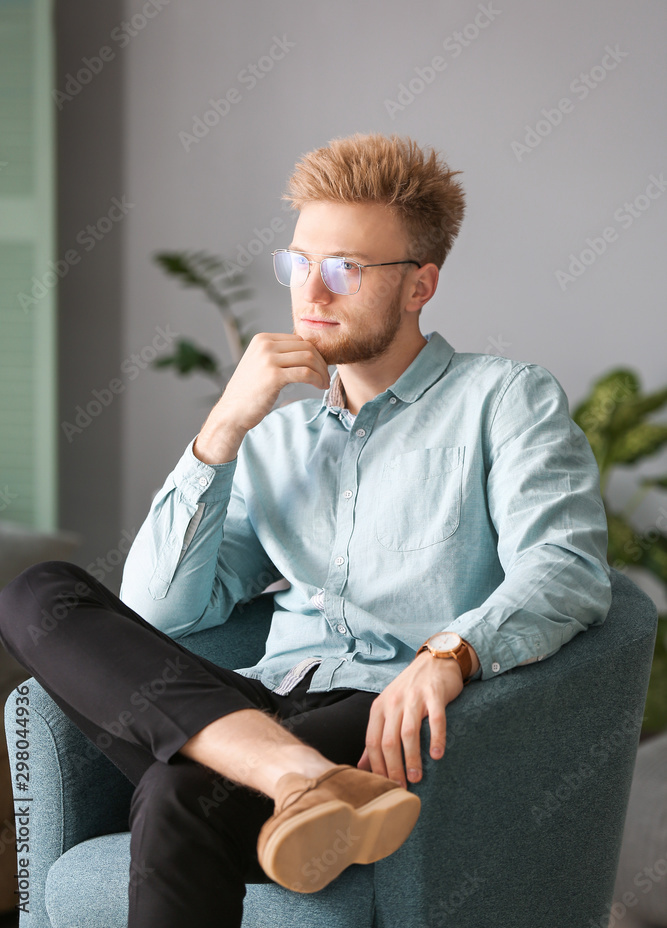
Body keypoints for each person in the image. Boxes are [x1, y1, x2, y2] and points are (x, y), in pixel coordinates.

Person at [0, 132, 612, 927]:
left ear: (419, 283)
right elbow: (160, 615)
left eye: (344, 269)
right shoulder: (274, 439)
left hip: (390, 717)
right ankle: (298, 777)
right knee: (36, 592)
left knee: (182, 789)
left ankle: (301, 776)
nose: (310, 294)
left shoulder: (504, 399)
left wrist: (448, 653)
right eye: (298, 264)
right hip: (268, 701)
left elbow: (564, 568)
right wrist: (222, 427)